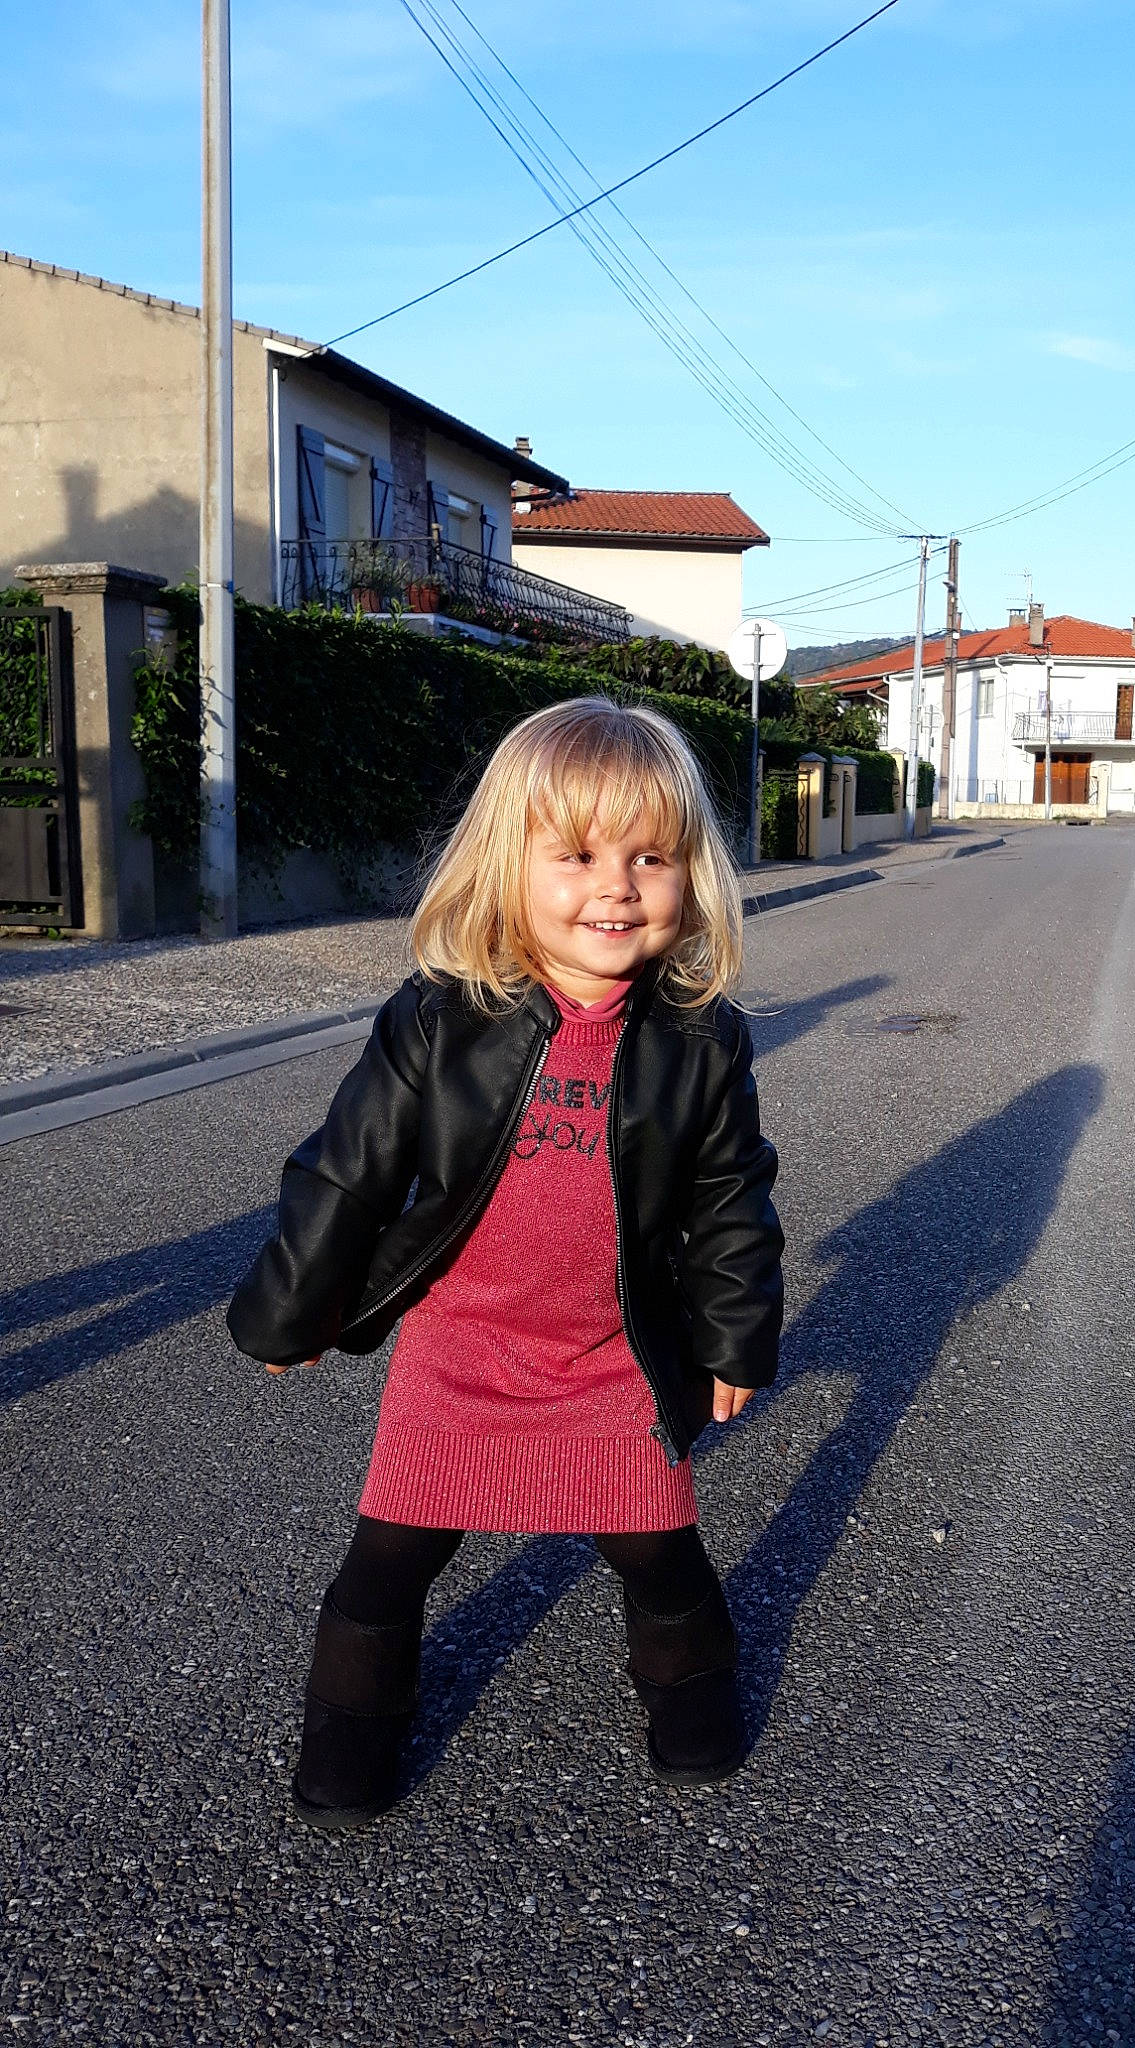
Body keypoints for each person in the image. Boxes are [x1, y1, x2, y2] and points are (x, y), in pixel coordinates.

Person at [228, 697, 784, 1830]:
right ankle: (348, 1747)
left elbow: (732, 1198)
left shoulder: (702, 1039)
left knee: (657, 1551)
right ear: (506, 865)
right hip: (459, 1346)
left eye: (650, 856)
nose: (617, 886)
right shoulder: (441, 1019)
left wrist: (733, 1335)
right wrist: (290, 1309)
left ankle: (695, 1707)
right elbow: (350, 1169)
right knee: (387, 1562)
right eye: (576, 855)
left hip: (609, 1353)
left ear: (691, 876)